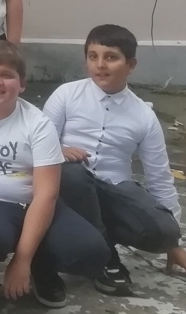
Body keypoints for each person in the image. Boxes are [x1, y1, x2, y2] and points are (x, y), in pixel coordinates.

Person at [0, 40, 108, 309]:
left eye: (7, 75)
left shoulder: (38, 124)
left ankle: (41, 265)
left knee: (91, 252)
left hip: (33, 202)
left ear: (22, 84)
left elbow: (46, 195)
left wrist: (22, 260)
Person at [43, 24, 185, 295]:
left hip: (115, 192)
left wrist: (173, 245)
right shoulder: (67, 95)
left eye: (110, 57)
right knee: (73, 173)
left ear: (130, 65)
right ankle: (107, 257)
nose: (100, 65)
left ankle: (99, 235)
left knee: (165, 230)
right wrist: (59, 151)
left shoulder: (144, 116)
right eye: (93, 56)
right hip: (69, 190)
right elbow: (35, 144)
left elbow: (159, 177)